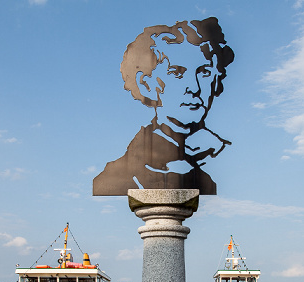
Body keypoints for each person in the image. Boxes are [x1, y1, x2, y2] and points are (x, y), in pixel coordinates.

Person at [93, 17, 234, 195]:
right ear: (147, 85)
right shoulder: (121, 172)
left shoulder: (219, 151)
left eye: (204, 72)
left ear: (216, 80)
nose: (195, 87)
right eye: (177, 73)